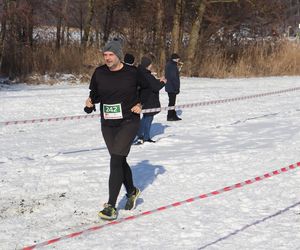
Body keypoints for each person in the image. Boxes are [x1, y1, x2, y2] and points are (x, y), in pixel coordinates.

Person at [84, 38, 149, 220]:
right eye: (105, 55)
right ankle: (132, 191)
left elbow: (148, 88)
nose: (107, 58)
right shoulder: (99, 73)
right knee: (118, 159)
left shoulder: (133, 72)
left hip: (129, 121)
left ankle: (111, 206)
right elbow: (95, 94)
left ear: (119, 55)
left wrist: (140, 103)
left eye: (111, 54)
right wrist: (90, 103)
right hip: (108, 123)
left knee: (115, 160)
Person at [135, 56, 166, 144]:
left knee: (146, 117)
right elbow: (155, 87)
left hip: (144, 98)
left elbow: (151, 83)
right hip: (149, 99)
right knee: (148, 118)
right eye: (150, 64)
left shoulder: (141, 72)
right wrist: (163, 82)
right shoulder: (147, 75)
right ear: (147, 65)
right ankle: (144, 136)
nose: (151, 65)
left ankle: (141, 135)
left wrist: (158, 80)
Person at [165, 53, 182, 121]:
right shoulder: (172, 66)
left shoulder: (170, 64)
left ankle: (173, 115)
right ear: (174, 59)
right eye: (178, 59)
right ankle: (170, 116)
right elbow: (173, 78)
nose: (178, 60)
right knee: (171, 102)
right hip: (171, 87)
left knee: (172, 102)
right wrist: (176, 88)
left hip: (170, 86)